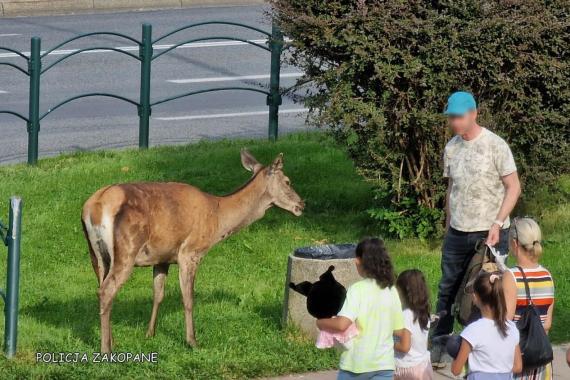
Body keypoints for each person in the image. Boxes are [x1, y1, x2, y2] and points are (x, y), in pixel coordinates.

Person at [434, 91, 522, 348]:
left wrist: (497, 223)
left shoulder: (496, 145)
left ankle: (486, 344)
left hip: (490, 232)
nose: (455, 122)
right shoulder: (452, 147)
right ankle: (441, 343)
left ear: (474, 114)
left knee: (486, 288)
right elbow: (452, 189)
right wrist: (448, 225)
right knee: (447, 288)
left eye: (459, 117)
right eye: (451, 118)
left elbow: (513, 187)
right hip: (458, 232)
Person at [316, 238, 404, 380]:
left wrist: (321, 322)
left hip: (356, 365)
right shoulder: (391, 290)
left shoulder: (357, 289)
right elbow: (399, 330)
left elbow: (342, 324)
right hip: (384, 365)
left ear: (358, 261)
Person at [503, 217, 555, 380]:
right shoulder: (547, 276)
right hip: (541, 358)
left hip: (519, 358)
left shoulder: (511, 276)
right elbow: (547, 323)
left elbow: (507, 321)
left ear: (515, 243)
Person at [451, 271, 523, 379]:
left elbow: (456, 370)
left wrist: (453, 351)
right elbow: (518, 367)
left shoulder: (472, 331)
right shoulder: (511, 327)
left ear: (475, 298)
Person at [393, 270, 434, 380]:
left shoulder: (406, 315)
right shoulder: (423, 313)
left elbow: (404, 346)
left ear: (404, 292)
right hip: (423, 364)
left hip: (407, 368)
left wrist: (388, 343)